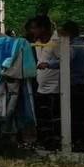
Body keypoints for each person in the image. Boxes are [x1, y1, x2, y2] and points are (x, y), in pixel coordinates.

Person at [27, 15, 60, 150]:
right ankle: (44, 144)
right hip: (41, 88)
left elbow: (65, 60)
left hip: (54, 89)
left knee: (53, 120)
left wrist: (49, 65)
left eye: (34, 28)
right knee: (42, 119)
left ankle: (55, 145)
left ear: (43, 28)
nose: (32, 31)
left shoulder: (56, 41)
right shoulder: (36, 43)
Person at [60, 21, 84, 152]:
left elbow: (64, 61)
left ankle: (77, 144)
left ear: (68, 33)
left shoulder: (72, 47)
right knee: (83, 117)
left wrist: (48, 64)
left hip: (75, 86)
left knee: (75, 117)